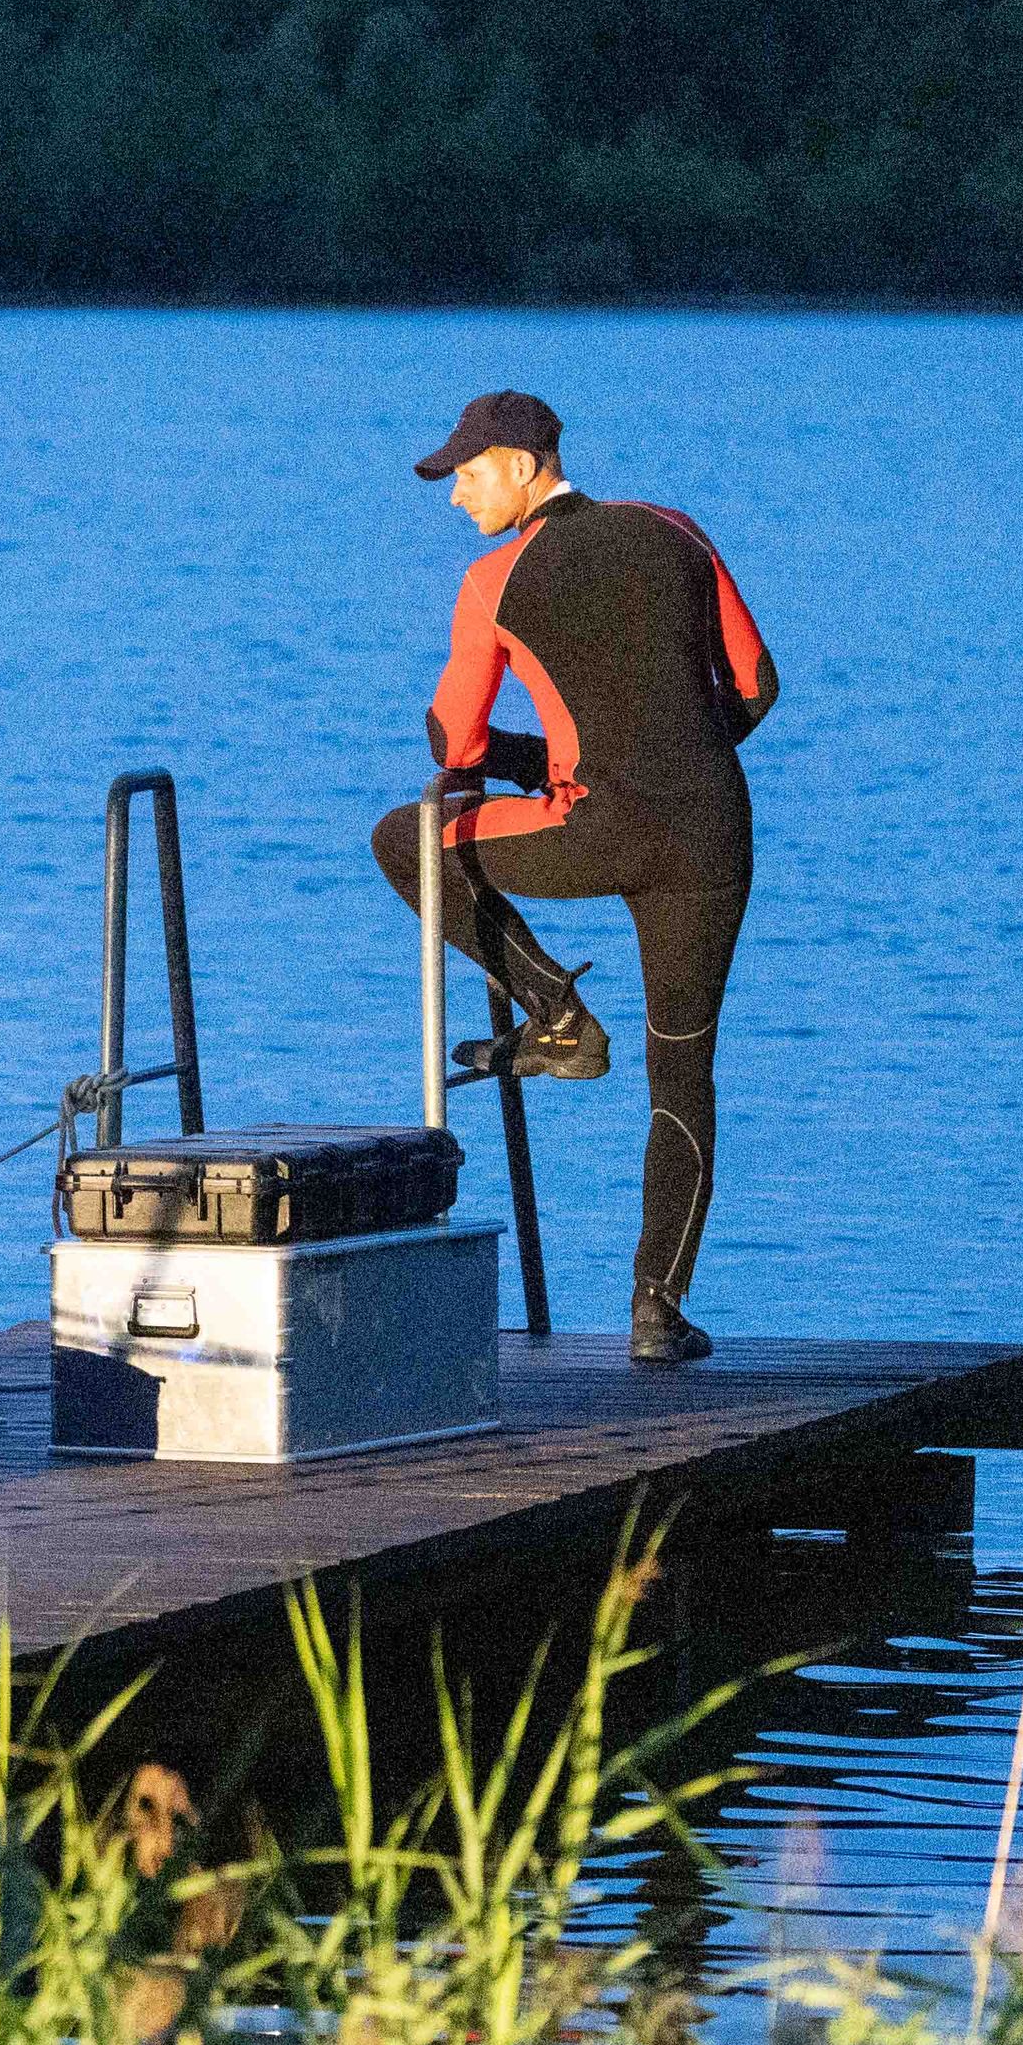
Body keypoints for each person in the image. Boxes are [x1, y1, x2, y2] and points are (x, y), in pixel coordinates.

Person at [371, 390, 778, 1369]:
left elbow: (451, 739)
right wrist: (665, 767)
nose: (458, 497)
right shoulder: (675, 532)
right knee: (682, 1072)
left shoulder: (494, 579)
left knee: (402, 838)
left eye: (466, 476)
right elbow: (756, 682)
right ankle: (656, 1312)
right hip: (711, 835)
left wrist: (532, 764)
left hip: (593, 829)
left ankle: (556, 1014)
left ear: (520, 464)